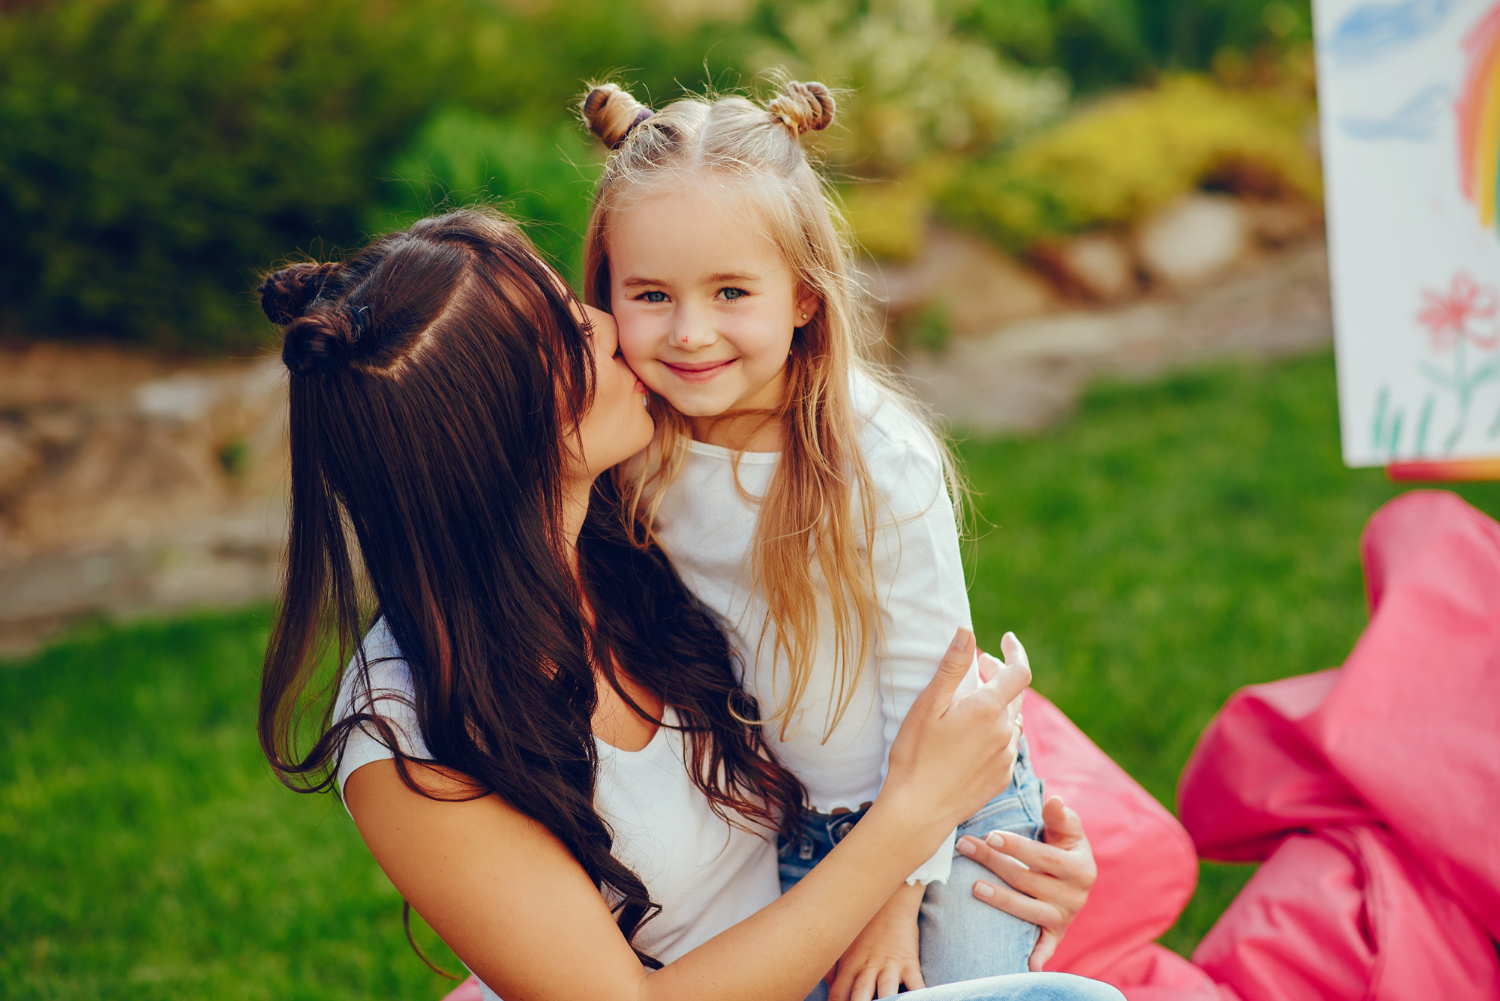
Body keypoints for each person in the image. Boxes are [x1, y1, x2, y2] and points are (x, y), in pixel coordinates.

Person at [256, 208, 1121, 1001]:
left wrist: (1000, 859)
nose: (606, 324)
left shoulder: (645, 511)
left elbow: (878, 669)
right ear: (502, 441)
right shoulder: (408, 744)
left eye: (572, 298)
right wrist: (910, 823)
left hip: (848, 935)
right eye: (567, 333)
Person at [579, 80, 1046, 1000]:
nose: (690, 332)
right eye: (651, 294)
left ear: (802, 297)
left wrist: (893, 896)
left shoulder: (872, 459)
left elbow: (934, 685)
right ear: (608, 296)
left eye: (730, 292)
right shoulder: (637, 449)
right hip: (787, 828)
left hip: (947, 814)